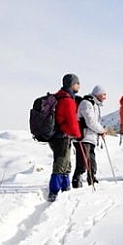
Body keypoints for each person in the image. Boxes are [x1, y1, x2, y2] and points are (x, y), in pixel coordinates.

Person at [48, 73, 82, 202]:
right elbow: (72, 121)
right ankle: (54, 192)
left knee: (65, 163)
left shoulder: (60, 97)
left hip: (57, 136)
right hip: (62, 136)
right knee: (61, 164)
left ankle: (65, 188)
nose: (79, 85)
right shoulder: (67, 100)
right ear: (72, 84)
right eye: (77, 83)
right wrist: (78, 135)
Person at [72, 85, 108, 188]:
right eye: (104, 94)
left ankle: (92, 180)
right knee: (82, 163)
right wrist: (101, 130)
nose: (105, 97)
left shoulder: (95, 105)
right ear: (98, 94)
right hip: (82, 137)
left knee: (92, 163)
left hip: (90, 138)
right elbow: (90, 122)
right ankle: (76, 182)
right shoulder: (87, 103)